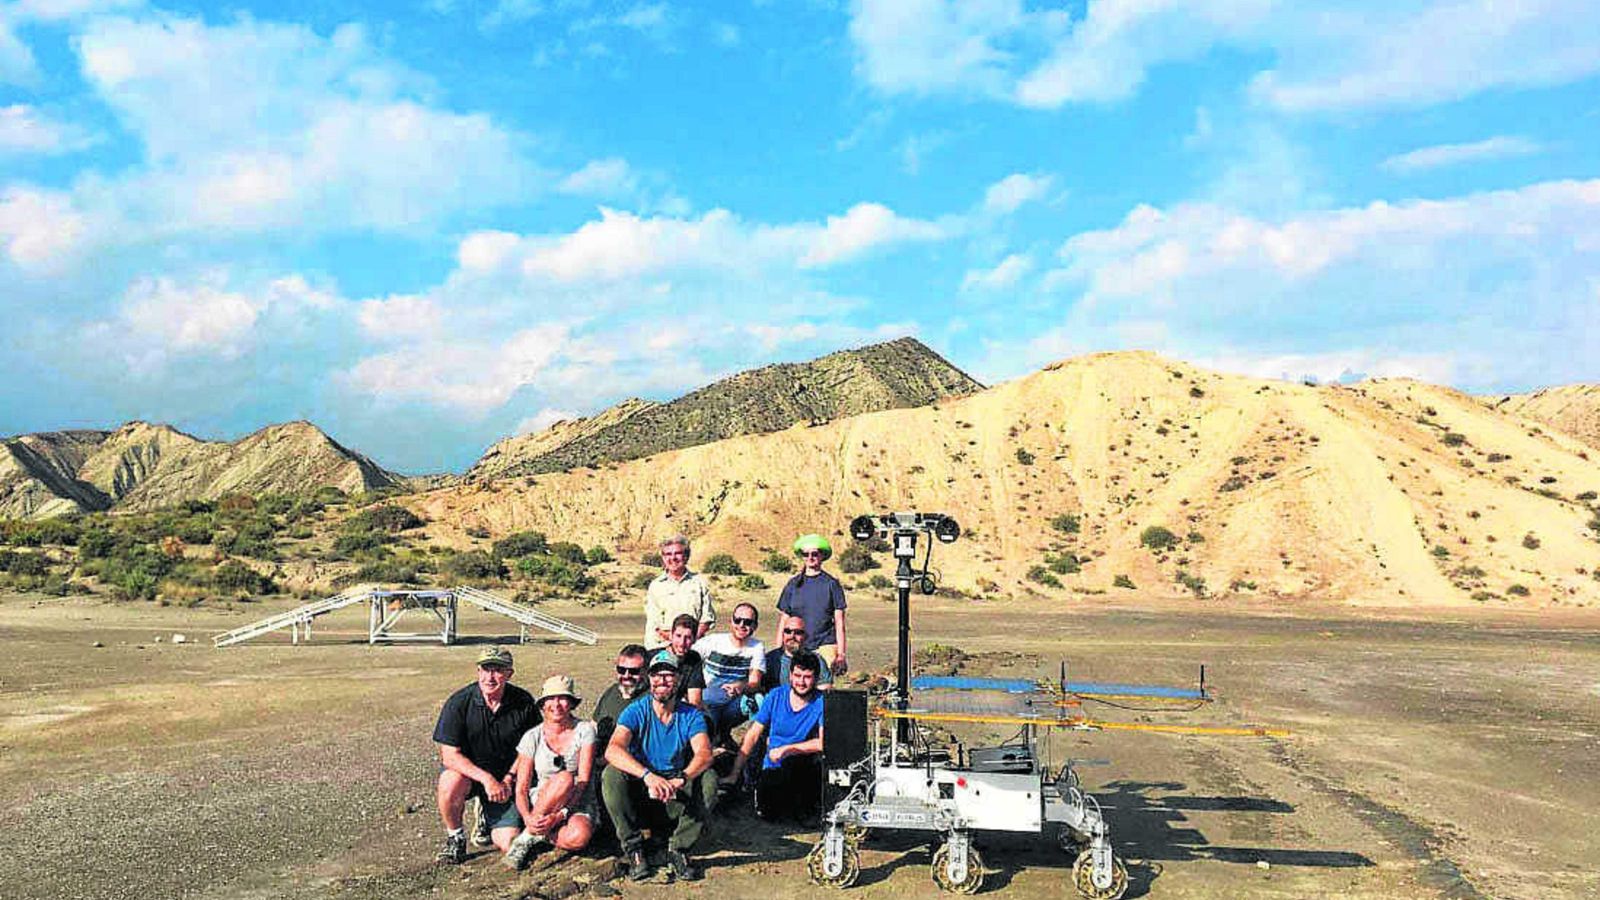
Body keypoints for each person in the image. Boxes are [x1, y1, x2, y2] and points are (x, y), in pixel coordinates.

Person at [602, 650, 713, 883]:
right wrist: (647, 775)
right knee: (611, 775)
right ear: (649, 679)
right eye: (656, 674)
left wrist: (681, 778)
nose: (661, 680)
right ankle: (633, 849)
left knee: (709, 778)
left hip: (674, 791)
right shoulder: (635, 710)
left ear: (679, 678)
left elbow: (704, 753)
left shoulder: (691, 715)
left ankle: (679, 848)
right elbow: (613, 749)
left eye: (668, 674)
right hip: (644, 791)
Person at [432, 646, 541, 864]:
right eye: (485, 669)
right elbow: (449, 755)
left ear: (509, 673)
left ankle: (486, 814)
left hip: (507, 780)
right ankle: (456, 839)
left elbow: (533, 745)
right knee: (450, 780)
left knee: (508, 843)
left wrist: (509, 777)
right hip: (472, 776)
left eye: (497, 670)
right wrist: (486, 780)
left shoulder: (523, 702)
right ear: (478, 671)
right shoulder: (459, 703)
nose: (490, 677)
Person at [503, 675, 598, 868]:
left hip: (577, 799)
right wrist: (528, 817)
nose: (556, 704)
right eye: (551, 698)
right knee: (563, 779)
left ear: (571, 703)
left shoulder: (585, 730)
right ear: (543, 704)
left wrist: (560, 816)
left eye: (563, 698)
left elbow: (584, 780)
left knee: (579, 837)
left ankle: (537, 835)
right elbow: (521, 788)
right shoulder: (532, 737)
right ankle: (530, 834)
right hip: (544, 799)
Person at [725, 651, 826, 822]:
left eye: (807, 677)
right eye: (797, 675)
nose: (801, 682)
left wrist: (788, 749)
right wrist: (735, 772)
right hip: (774, 765)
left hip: (803, 765)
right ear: (790, 675)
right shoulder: (776, 695)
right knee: (770, 814)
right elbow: (753, 734)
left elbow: (824, 743)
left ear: (815, 678)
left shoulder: (822, 701)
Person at [775, 533, 849, 675]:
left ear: (822, 556)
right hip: (796, 644)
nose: (810, 557)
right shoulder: (793, 584)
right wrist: (779, 651)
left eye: (814, 553)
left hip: (825, 644)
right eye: (806, 554)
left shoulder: (832, 584)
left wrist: (841, 654)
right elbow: (784, 620)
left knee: (823, 687)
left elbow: (840, 622)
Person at [691, 602, 766, 738]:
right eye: (738, 620)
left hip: (733, 704)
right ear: (731, 621)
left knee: (758, 700)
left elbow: (755, 683)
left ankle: (755, 745)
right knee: (708, 731)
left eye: (748, 622)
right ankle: (721, 738)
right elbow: (687, 658)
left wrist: (741, 686)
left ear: (755, 626)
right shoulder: (712, 642)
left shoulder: (757, 647)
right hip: (708, 703)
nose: (742, 625)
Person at [643, 534, 716, 650]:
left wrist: (688, 642)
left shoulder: (699, 582)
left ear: (686, 556)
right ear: (663, 558)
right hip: (662, 647)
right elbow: (656, 624)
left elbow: (706, 619)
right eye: (668, 554)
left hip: (693, 647)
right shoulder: (656, 586)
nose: (673, 558)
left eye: (677, 553)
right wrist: (678, 644)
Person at [592, 643, 650, 760]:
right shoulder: (611, 692)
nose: (626, 675)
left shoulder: (651, 700)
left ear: (646, 671)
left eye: (634, 671)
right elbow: (593, 726)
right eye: (621, 670)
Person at [761, 614, 833, 693]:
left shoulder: (816, 660)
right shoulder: (770, 659)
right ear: (783, 634)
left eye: (798, 632)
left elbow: (824, 691)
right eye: (788, 631)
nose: (792, 636)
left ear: (805, 636)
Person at [662, 614, 707, 708]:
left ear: (694, 639)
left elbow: (695, 700)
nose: (682, 643)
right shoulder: (653, 657)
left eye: (688, 638)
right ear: (671, 635)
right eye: (678, 636)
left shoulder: (693, 659)